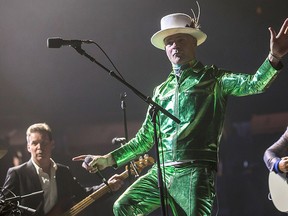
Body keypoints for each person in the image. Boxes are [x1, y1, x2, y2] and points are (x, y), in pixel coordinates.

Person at [72, 5, 288, 216]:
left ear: (194, 42)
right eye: (169, 42)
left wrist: (274, 57)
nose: (174, 46)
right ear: (165, 49)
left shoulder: (213, 79)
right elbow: (144, 140)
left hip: (195, 172)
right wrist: (107, 159)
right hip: (162, 172)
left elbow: (255, 83)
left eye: (181, 40)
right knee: (124, 207)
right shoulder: (160, 91)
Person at [1, 123, 124, 216]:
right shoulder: (17, 173)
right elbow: (4, 209)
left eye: (44, 143)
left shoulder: (63, 171)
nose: (39, 147)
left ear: (52, 144)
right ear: (28, 147)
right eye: (34, 143)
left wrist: (108, 186)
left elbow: (83, 195)